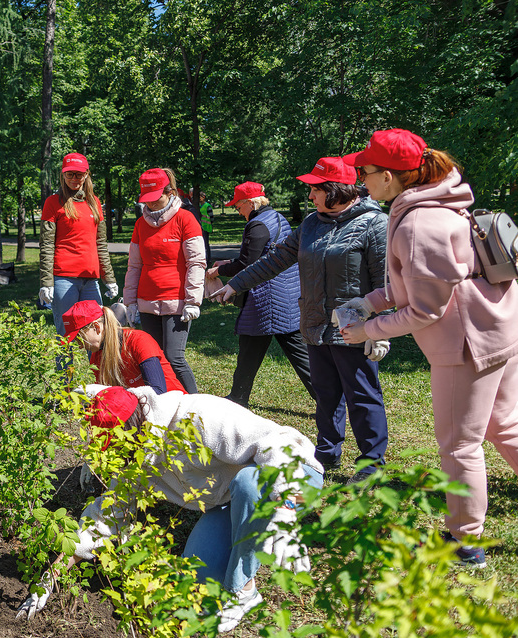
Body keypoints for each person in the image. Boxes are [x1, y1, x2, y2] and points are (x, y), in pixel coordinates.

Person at [338, 129, 518, 567]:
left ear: (389, 176)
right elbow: (426, 286)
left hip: (466, 347)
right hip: (498, 329)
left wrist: (367, 330)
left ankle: (465, 542)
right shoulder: (439, 203)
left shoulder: (419, 223)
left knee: (459, 445)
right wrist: (369, 302)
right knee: (504, 425)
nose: (360, 179)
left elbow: (425, 311)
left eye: (364, 171)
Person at [17, 384, 323, 633]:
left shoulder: (199, 416)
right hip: (227, 503)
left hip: (291, 475)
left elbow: (279, 443)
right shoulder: (137, 457)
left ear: (135, 427)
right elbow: (106, 517)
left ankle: (242, 592)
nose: (116, 455)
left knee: (247, 482)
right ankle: (235, 580)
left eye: (117, 444)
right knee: (196, 578)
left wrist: (284, 510)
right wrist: (50, 578)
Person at [212, 158, 389, 484]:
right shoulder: (311, 223)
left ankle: (371, 468)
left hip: (356, 327)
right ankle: (326, 454)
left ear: (335, 190)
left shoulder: (374, 224)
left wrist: (382, 329)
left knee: (362, 397)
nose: (309, 196)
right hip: (314, 325)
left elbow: (386, 281)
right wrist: (235, 284)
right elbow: (274, 260)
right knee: (326, 395)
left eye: (315, 189)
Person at [209, 181, 315, 407]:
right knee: (297, 353)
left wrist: (218, 270)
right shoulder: (277, 217)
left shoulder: (257, 225)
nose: (239, 213)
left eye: (238, 207)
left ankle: (238, 398)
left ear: (250, 202)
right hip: (286, 296)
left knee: (251, 349)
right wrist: (229, 262)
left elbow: (247, 264)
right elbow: (262, 255)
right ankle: (328, 399)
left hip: (266, 298)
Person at [123, 168, 205, 394]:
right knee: (153, 357)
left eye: (155, 198)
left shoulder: (185, 219)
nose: (150, 204)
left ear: (170, 192)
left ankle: (196, 405)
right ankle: (163, 401)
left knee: (174, 357)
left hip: (177, 301)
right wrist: (130, 302)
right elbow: (134, 266)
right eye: (146, 200)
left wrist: (193, 300)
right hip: (147, 301)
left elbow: (196, 263)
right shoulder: (140, 224)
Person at [39, 153, 119, 335]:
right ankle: (66, 365)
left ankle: (95, 365)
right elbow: (46, 246)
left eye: (79, 174)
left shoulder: (94, 203)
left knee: (97, 332)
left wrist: (110, 278)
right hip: (63, 279)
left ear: (86, 175)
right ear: (63, 176)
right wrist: (46, 282)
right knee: (66, 333)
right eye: (70, 174)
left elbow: (101, 245)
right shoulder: (53, 202)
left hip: (91, 279)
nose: (74, 179)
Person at [62, 299, 184, 394]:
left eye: (80, 338)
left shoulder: (139, 341)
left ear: (97, 327)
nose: (79, 346)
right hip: (143, 416)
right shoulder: (96, 357)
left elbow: (158, 392)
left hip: (175, 413)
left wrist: (112, 395)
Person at [196, 191, 213, 263]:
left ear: (203, 197)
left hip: (206, 227)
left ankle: (208, 260)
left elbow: (211, 217)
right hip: (201, 227)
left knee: (206, 244)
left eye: (200, 197)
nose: (199, 199)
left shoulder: (207, 206)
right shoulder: (199, 206)